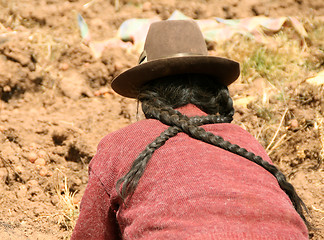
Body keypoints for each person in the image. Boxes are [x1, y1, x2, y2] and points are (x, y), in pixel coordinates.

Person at [71, 20, 309, 240]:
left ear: (146, 96)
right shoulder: (244, 140)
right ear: (213, 89)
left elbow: (90, 234)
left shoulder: (121, 144)